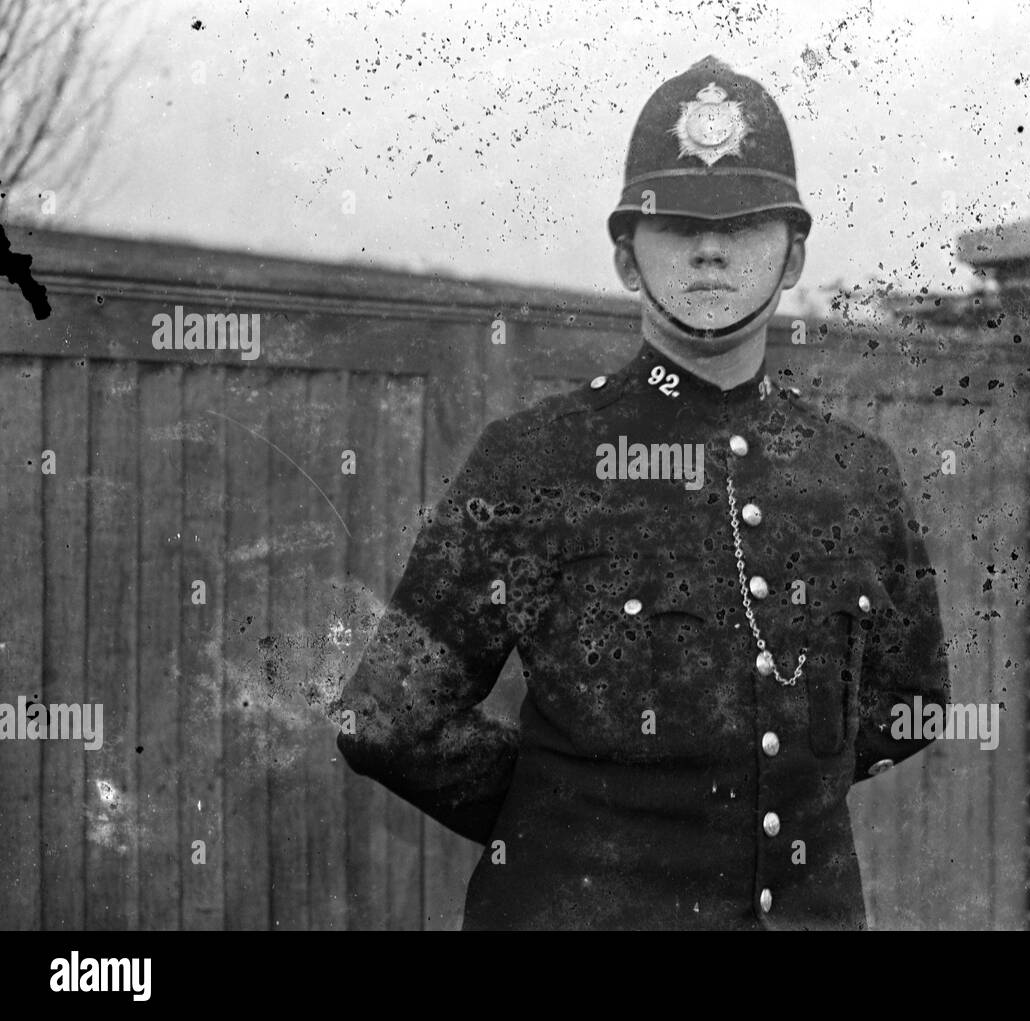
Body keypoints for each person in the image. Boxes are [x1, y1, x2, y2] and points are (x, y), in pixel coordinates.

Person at [335, 55, 951, 930]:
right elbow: (382, 715)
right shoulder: (535, 461)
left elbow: (913, 706)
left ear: (794, 254)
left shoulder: (857, 473)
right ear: (627, 256)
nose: (709, 247)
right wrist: (562, 819)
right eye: (678, 224)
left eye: (743, 223)